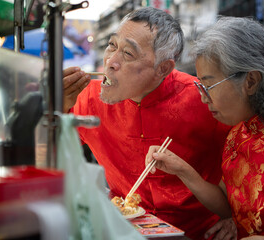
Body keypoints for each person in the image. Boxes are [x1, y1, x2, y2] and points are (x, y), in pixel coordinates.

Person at [62, 7, 232, 240]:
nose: (110, 62)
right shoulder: (86, 98)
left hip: (197, 233)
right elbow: (49, 154)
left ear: (162, 68)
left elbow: (249, 161)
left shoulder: (204, 100)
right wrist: (57, 107)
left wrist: (237, 216)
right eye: (112, 45)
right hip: (122, 230)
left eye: (128, 54)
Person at [146, 16, 264, 240]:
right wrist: (182, 170)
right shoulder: (237, 135)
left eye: (208, 85)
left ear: (251, 81)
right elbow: (228, 205)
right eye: (199, 86)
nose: (203, 98)